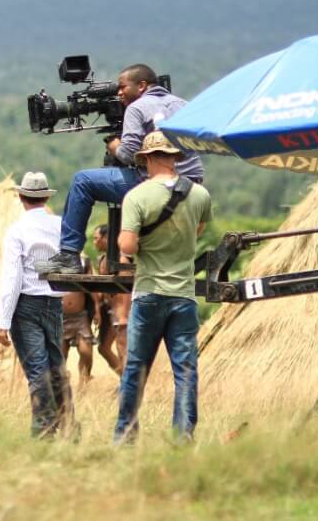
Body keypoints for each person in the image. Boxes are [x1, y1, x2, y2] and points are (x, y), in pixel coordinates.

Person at [35, 64, 204, 274]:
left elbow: (128, 154)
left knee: (82, 181)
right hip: (191, 183)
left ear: (142, 85)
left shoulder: (137, 107)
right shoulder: (182, 104)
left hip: (156, 185)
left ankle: (69, 255)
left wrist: (115, 147)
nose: (119, 92)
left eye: (123, 87)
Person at [113, 131, 211, 444]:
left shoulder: (137, 197)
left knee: (136, 370)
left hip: (150, 294)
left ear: (149, 158)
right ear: (174, 157)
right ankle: (183, 437)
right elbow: (197, 231)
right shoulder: (199, 195)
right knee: (185, 371)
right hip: (183, 295)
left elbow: (127, 246)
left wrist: (127, 240)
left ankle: (125, 437)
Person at [0, 172, 75, 439]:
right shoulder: (61, 225)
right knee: (56, 367)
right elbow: (70, 261)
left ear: (21, 198)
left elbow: (12, 277)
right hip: (54, 303)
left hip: (26, 305)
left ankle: (43, 430)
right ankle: (67, 425)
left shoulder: (16, 231)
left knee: (37, 370)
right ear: (45, 197)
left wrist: (3, 322)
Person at [61, 253, 96, 387]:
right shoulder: (55, 257)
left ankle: (84, 379)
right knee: (60, 355)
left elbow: (91, 285)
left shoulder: (84, 260)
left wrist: (97, 307)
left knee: (86, 351)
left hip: (80, 316)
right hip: (61, 316)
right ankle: (63, 382)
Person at [91, 225, 122, 376]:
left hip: (118, 310)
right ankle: (126, 381)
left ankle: (128, 383)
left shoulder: (120, 258)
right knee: (103, 347)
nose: (94, 242)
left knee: (120, 345)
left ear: (106, 238)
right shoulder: (102, 259)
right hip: (108, 309)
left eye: (96, 238)